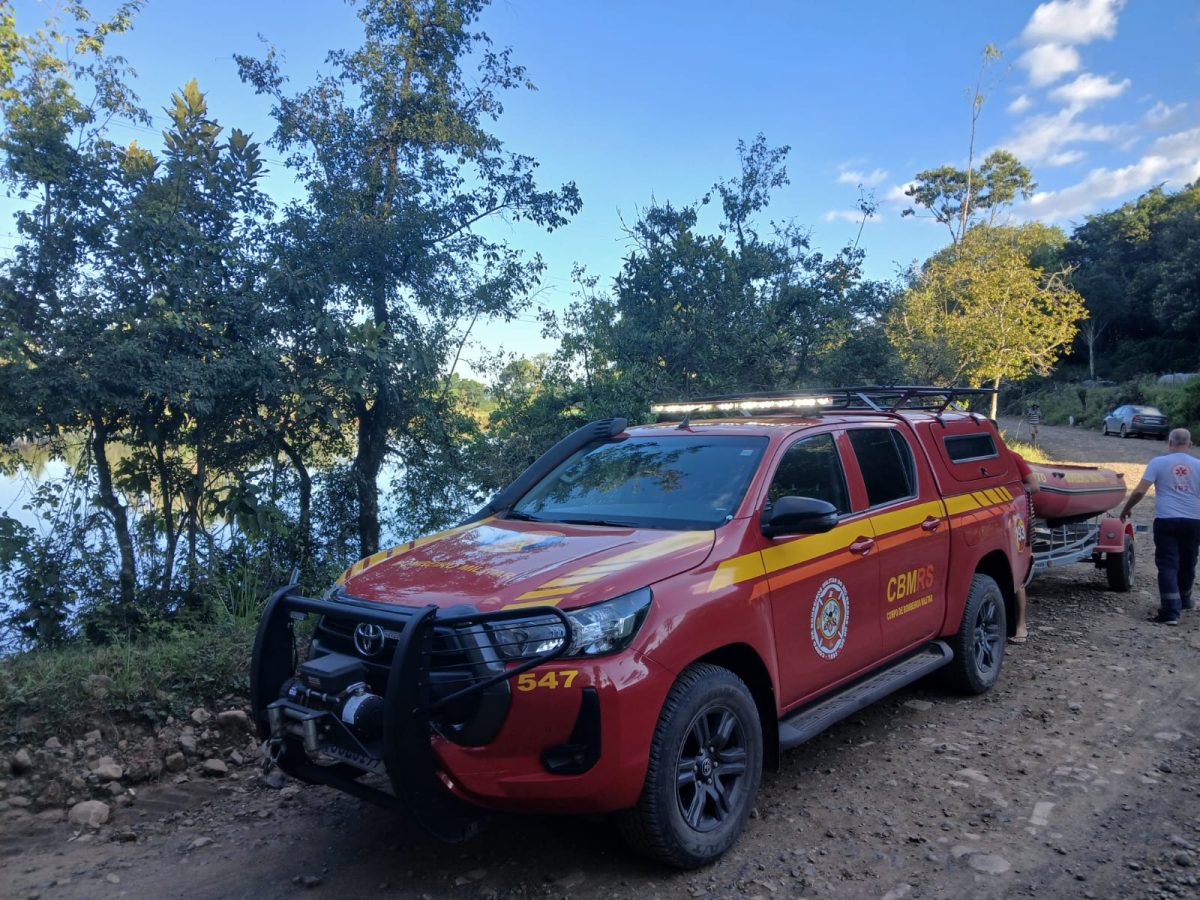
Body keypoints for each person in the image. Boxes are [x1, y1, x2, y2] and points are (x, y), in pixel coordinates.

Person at [1119, 428, 1200, 625]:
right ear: (1190, 444)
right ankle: (1185, 600)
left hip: (1167, 520)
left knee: (1168, 565)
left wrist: (1126, 509)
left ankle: (1170, 613)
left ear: (1169, 442)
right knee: (1189, 561)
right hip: (1194, 521)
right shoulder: (1198, 465)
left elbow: (1139, 492)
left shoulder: (1158, 463)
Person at [1009, 451, 1040, 644]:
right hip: (996, 523)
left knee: (1017, 574)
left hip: (1017, 520)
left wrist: (1010, 491)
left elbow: (1034, 486)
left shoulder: (1012, 457)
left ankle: (1022, 626)